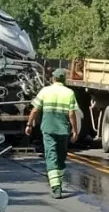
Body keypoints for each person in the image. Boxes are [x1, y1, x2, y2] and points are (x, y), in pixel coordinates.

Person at [25, 68, 79, 199]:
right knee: (61, 157)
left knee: (51, 156)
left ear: (53, 79)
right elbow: (72, 114)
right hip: (63, 130)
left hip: (48, 129)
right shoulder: (69, 93)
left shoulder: (45, 91)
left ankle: (56, 188)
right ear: (64, 80)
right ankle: (58, 183)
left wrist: (29, 124)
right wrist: (75, 131)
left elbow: (35, 110)